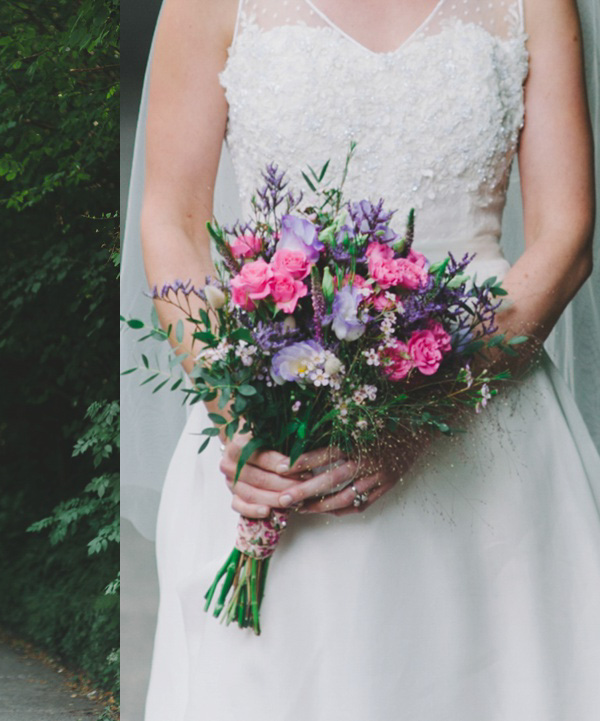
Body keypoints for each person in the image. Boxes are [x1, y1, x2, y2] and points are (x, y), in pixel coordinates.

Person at [124, 0, 600, 718]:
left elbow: (567, 235)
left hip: (490, 440)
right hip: (280, 439)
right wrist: (239, 412)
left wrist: (427, 411)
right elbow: (173, 221)